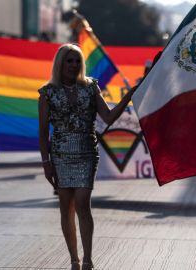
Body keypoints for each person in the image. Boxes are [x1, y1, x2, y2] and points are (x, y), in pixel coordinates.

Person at [38, 44, 136, 270]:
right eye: (69, 61)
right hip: (60, 156)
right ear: (60, 63)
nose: (73, 65)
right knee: (66, 207)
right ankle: (74, 259)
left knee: (83, 204)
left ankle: (88, 260)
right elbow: (43, 132)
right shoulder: (47, 92)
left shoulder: (91, 87)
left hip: (86, 153)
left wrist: (129, 96)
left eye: (76, 61)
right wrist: (46, 163)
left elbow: (109, 117)